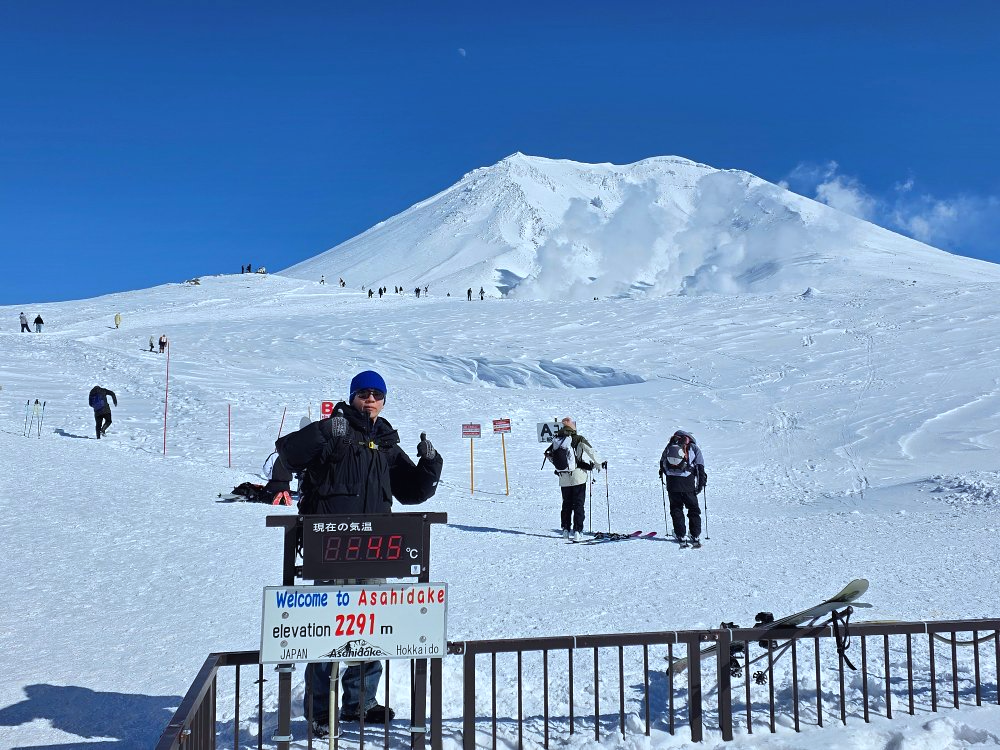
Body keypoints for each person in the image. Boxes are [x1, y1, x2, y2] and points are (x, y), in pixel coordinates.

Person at [276, 370, 444, 735]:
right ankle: (320, 711)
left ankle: (360, 703)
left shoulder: (385, 442)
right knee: (326, 631)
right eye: (363, 393)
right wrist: (324, 431)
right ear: (352, 396)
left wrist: (431, 464)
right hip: (332, 549)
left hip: (376, 550)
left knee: (372, 627)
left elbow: (413, 492)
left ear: (384, 400)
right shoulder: (333, 431)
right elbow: (288, 454)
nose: (370, 399)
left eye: (376, 394)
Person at [544, 417, 604, 540]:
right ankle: (577, 531)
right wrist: (599, 464)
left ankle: (565, 530)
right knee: (578, 504)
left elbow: (549, 455)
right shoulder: (578, 438)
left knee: (566, 504)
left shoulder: (557, 440)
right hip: (578, 477)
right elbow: (591, 451)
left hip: (563, 478)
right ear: (573, 428)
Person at [659, 430, 707, 547]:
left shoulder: (669, 446)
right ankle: (695, 535)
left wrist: (670, 476)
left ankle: (680, 534)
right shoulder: (693, 448)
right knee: (693, 509)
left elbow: (662, 464)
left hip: (672, 484)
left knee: (676, 509)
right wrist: (700, 485)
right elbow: (700, 468)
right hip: (688, 484)